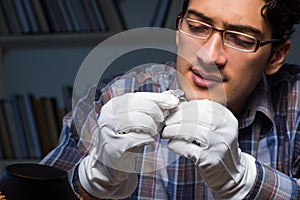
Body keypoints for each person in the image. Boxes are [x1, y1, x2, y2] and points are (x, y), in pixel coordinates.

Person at [41, 0, 300, 199]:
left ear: (276, 56)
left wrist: (248, 181)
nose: (208, 56)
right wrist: (90, 181)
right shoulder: (110, 97)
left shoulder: (295, 104)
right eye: (197, 27)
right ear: (178, 30)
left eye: (241, 39)